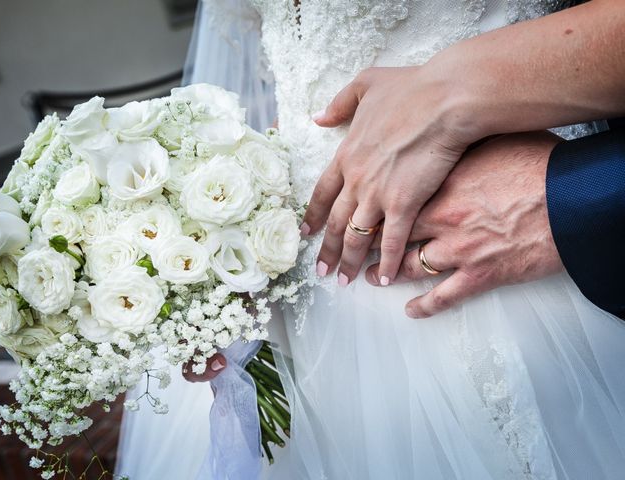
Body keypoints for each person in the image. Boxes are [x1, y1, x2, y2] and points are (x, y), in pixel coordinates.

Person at [118, 1, 625, 479]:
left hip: (509, 264)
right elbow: (305, 93)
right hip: (311, 310)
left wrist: (453, 94)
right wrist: (234, 232)